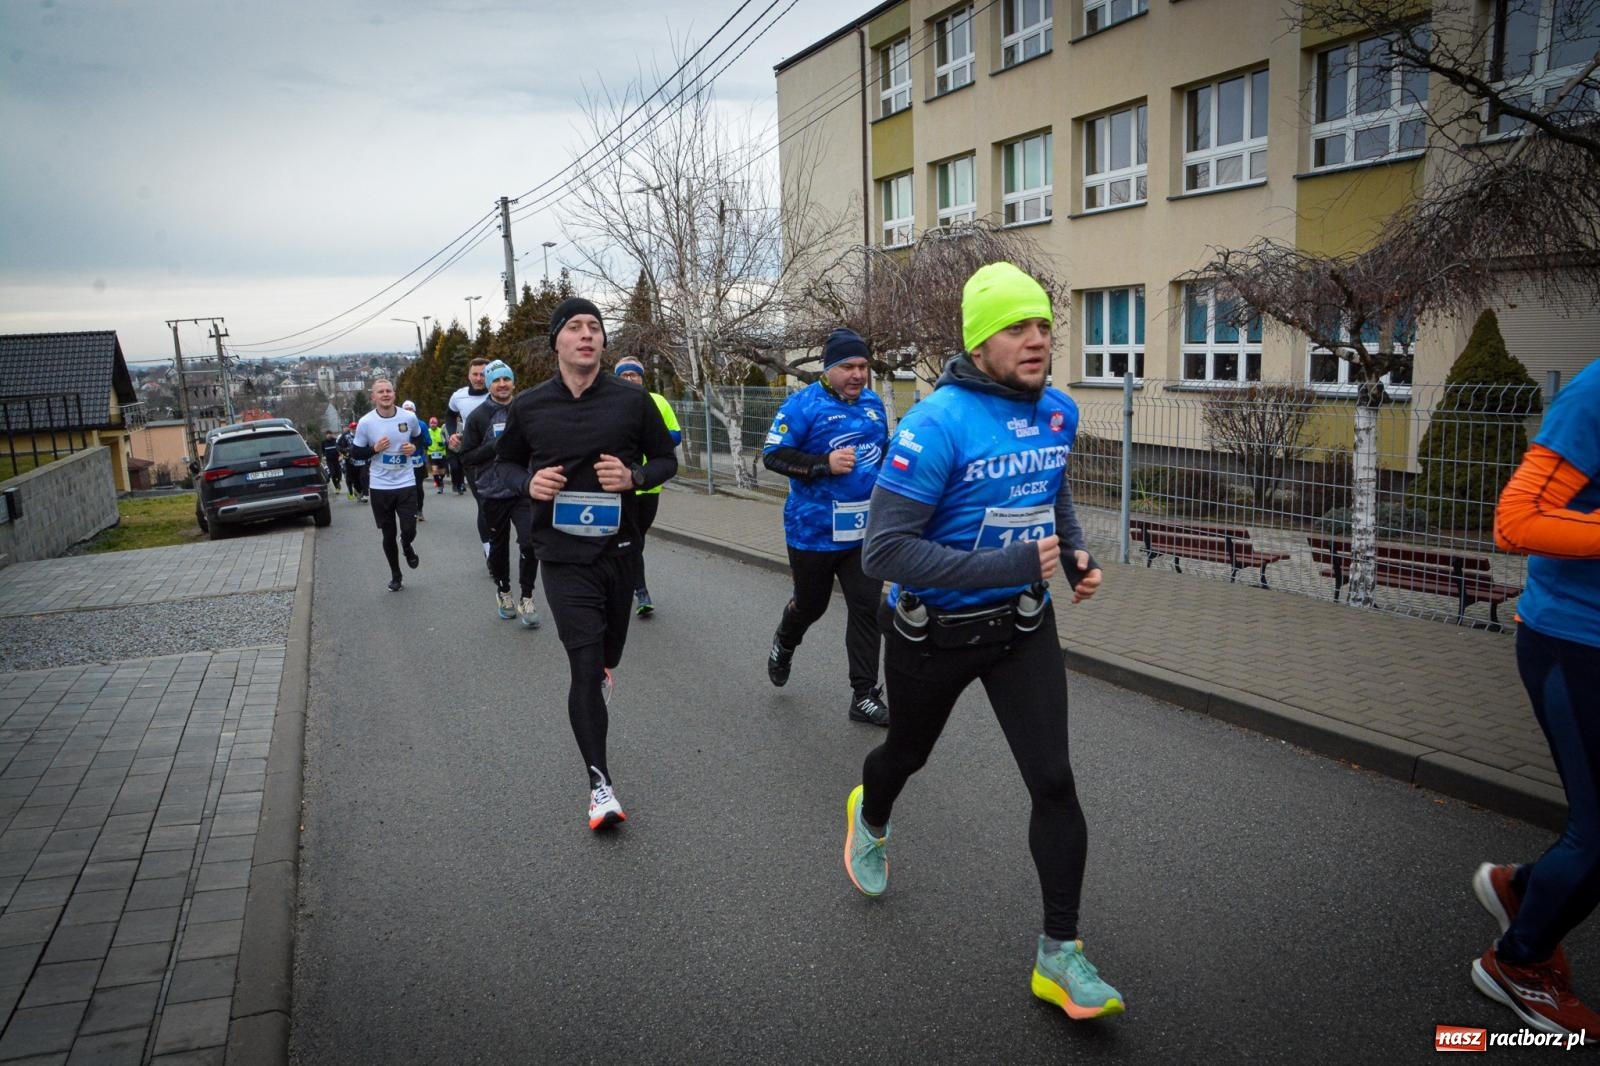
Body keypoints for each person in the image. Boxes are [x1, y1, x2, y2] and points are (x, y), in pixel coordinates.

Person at [845, 262, 1122, 1021]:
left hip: (1024, 627)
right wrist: (1002, 562)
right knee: (906, 755)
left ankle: (1059, 955)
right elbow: (882, 553)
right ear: (979, 340)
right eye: (1017, 328)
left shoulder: (1058, 412)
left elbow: (1050, 490)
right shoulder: (935, 423)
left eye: (1043, 326)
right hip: (934, 636)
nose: (1038, 340)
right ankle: (871, 814)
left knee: (1055, 781)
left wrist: (1073, 554)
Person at [486, 297, 678, 831]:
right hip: (562, 555)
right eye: (575, 327)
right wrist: (528, 483)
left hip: (618, 551)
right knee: (584, 667)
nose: (587, 335)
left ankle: (602, 669)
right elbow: (501, 466)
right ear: (557, 342)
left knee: (608, 651)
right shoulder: (528, 407)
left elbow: (667, 459)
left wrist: (635, 478)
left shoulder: (630, 402)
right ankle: (600, 786)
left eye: (595, 327)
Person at [1471, 359, 1600, 1036]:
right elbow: (1516, 523)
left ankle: (1523, 889)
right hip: (1575, 645)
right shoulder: (1597, 392)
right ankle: (1516, 964)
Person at [761, 329, 890, 725]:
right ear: (829, 368)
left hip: (861, 531)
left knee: (867, 607)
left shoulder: (873, 404)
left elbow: (881, 454)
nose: (858, 375)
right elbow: (773, 456)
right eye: (848, 367)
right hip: (813, 531)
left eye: (863, 366)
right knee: (811, 605)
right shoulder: (802, 405)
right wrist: (823, 464)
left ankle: (863, 695)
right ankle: (786, 639)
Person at [460, 360, 540, 628]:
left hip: (523, 488)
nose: (502, 384)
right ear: (489, 384)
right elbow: (466, 457)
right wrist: (496, 445)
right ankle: (504, 591)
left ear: (513, 382)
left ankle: (527, 596)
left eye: (506, 379)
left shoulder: (526, 410)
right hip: (493, 491)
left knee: (530, 541)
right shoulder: (479, 417)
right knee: (499, 547)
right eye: (496, 380)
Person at [613, 357, 681, 617]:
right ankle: (640, 591)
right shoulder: (611, 402)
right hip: (620, 487)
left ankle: (627, 579)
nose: (630, 379)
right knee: (630, 540)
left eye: (634, 375)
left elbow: (675, 434)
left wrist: (649, 434)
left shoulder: (658, 401)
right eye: (624, 375)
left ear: (642, 378)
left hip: (649, 486)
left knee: (636, 539)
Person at [350, 379, 427, 592]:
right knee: (388, 533)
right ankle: (396, 575)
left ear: (394, 394)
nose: (385, 394)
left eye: (389, 391)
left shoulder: (408, 417)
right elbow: (356, 453)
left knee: (409, 527)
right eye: (380, 392)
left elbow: (420, 440)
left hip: (405, 481)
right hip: (380, 485)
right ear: (373, 397)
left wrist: (413, 447)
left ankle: (407, 544)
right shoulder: (366, 422)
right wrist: (374, 449)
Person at [401, 400, 427, 520]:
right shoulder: (398, 424)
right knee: (405, 488)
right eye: (405, 410)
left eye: (410, 409)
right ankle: (409, 511)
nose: (408, 412)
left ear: (414, 411)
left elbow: (428, 441)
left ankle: (419, 510)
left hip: (417, 460)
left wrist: (416, 445)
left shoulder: (421, 424)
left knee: (417, 486)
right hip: (402, 461)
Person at [339, 421, 368, 502]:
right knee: (355, 479)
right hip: (351, 462)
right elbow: (339, 446)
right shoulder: (345, 436)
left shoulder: (363, 435)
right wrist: (345, 451)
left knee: (364, 477)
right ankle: (358, 491)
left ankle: (365, 494)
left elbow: (369, 444)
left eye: (356, 428)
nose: (355, 429)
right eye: (353, 428)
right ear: (350, 429)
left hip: (363, 460)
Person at [426, 417, 448, 494]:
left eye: (434, 423)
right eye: (431, 423)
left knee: (442, 472)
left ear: (437, 424)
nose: (433, 425)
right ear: (429, 424)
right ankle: (439, 486)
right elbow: (425, 441)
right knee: (435, 470)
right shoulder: (427, 431)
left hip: (441, 453)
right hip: (432, 453)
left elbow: (446, 440)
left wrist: (444, 443)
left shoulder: (441, 430)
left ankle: (441, 480)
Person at [321, 430, 343, 495]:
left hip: (337, 460)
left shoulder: (335, 441)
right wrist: (324, 456)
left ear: (332, 434)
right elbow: (323, 451)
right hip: (329, 461)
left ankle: (338, 481)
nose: (329, 435)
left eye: (330, 434)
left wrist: (341, 455)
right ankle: (336, 488)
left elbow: (340, 449)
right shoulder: (323, 442)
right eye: (327, 434)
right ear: (326, 435)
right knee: (333, 474)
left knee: (338, 473)